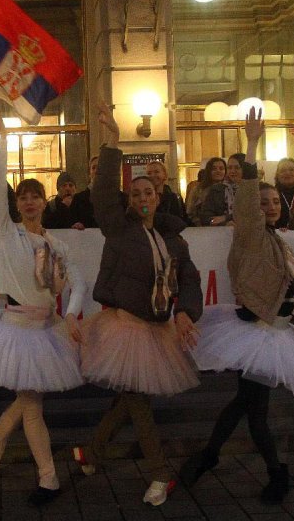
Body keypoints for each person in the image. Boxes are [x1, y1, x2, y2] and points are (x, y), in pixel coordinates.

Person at [182, 107, 294, 505]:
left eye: (274, 202)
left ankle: (210, 457)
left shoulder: (283, 244)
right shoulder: (250, 235)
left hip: (277, 334)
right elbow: (249, 204)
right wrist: (252, 146)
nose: (269, 206)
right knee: (254, 411)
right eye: (264, 201)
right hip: (255, 332)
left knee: (245, 404)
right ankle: (274, 472)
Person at [72, 104, 202, 508]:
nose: (143, 197)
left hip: (156, 329)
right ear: (129, 199)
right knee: (139, 404)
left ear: (159, 196)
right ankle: (161, 473)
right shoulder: (119, 228)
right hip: (123, 329)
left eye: (149, 192)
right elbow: (102, 192)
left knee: (128, 398)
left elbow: (190, 280)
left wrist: (184, 312)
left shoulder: (174, 239)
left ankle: (90, 451)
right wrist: (113, 144)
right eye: (136, 193)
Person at [0, 115, 85, 507]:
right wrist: (2, 139)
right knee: (31, 405)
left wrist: (74, 313)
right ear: (17, 204)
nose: (29, 201)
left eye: (35, 196)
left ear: (44, 202)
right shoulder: (7, 233)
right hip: (13, 328)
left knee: (28, 402)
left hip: (46, 331)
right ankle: (47, 478)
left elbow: (78, 283)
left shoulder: (58, 244)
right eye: (23, 197)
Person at [71, 156, 126, 229]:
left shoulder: (122, 198)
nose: (97, 170)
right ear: (90, 174)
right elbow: (70, 222)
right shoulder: (78, 199)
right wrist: (76, 225)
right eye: (94, 167)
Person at [199, 153, 246, 227]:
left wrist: (225, 218)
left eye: (237, 167)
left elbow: (251, 213)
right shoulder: (216, 190)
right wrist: (223, 223)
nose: (232, 171)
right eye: (229, 168)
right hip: (222, 233)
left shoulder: (254, 190)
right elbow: (206, 218)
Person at [187, 157, 226, 226]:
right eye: (214, 169)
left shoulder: (229, 189)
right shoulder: (198, 189)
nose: (218, 171)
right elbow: (190, 212)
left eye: (221, 169)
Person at [273, 158, 294, 228]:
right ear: (277, 175)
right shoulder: (271, 195)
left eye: (292, 170)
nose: (287, 173)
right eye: (283, 171)